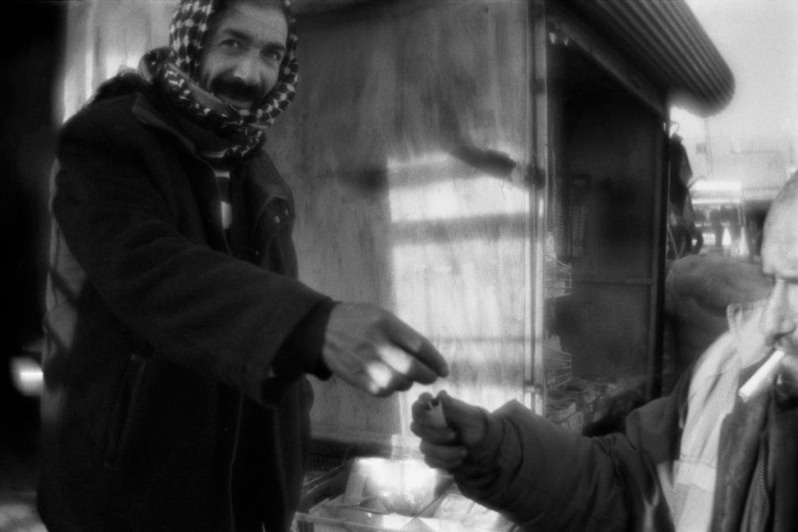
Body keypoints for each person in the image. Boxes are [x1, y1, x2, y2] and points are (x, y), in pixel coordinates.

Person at [38, 0, 448, 530]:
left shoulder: (259, 172)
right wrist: (311, 324)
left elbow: (262, 301)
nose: (249, 74)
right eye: (232, 44)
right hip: (127, 490)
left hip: (237, 493)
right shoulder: (107, 140)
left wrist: (282, 464)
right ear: (193, 43)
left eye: (271, 54)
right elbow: (152, 271)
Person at [412, 174, 798, 531]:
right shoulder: (726, 370)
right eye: (771, 279)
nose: (773, 322)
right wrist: (495, 448)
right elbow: (630, 484)